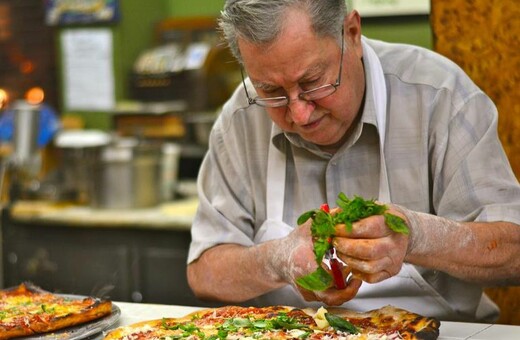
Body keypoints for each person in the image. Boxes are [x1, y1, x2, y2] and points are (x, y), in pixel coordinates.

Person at [187, 0, 520, 323]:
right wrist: (275, 261)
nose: (299, 114)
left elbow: (514, 252)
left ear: (352, 33)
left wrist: (419, 237)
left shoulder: (439, 96)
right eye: (271, 90)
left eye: (312, 82)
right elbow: (204, 274)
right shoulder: (240, 119)